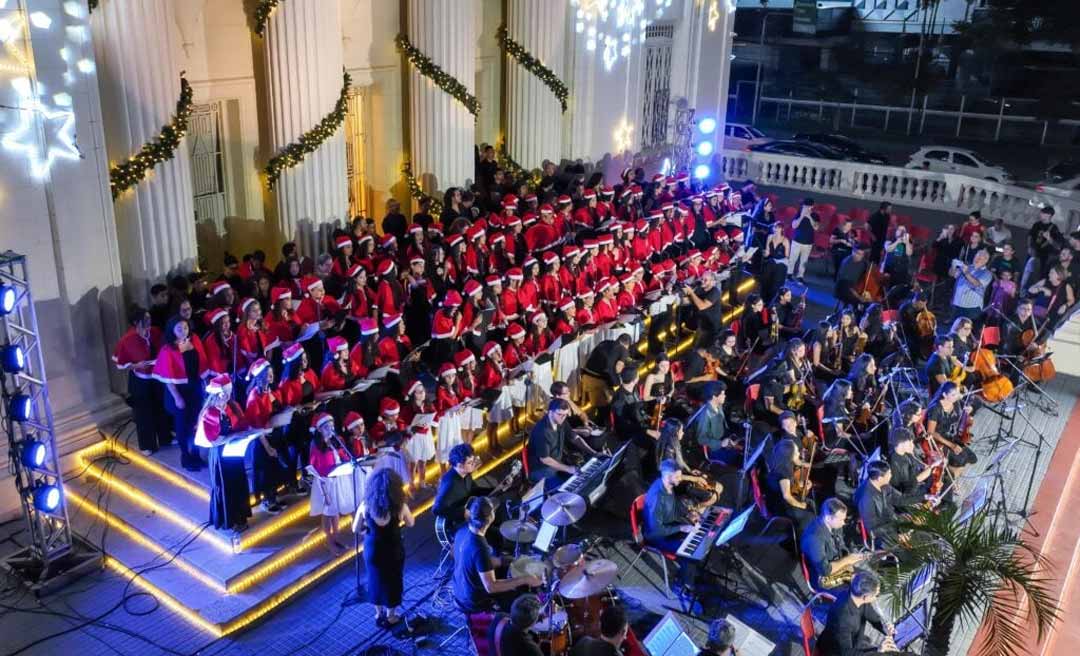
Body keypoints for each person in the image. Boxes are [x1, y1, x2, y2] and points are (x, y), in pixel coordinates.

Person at [452, 496, 541, 613]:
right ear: (490, 518)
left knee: (505, 566)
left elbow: (455, 553)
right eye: (493, 510)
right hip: (474, 600)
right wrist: (525, 579)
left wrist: (500, 561)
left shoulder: (462, 529)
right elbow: (491, 587)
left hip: (459, 587)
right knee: (524, 600)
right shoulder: (480, 546)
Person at [196, 374, 252, 533]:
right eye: (223, 394)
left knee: (239, 483)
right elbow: (212, 441)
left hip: (234, 451)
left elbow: (241, 422)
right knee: (226, 487)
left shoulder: (231, 406)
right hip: (220, 455)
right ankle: (230, 520)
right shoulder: (210, 413)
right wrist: (233, 436)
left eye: (228, 394)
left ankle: (241, 517)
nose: (226, 397)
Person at [153, 316, 209, 471]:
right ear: (172, 330)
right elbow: (166, 377)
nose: (183, 331)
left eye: (185, 327)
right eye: (179, 329)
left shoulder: (195, 340)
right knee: (183, 426)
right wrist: (177, 397)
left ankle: (197, 453)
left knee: (197, 423)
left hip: (194, 388)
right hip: (178, 392)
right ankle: (186, 456)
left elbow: (202, 362)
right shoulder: (167, 349)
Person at [112, 305, 170, 455]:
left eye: (149, 318)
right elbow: (121, 364)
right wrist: (136, 365)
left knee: (160, 407)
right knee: (143, 413)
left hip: (157, 375)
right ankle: (147, 445)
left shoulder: (155, 332)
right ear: (136, 322)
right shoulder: (127, 340)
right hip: (140, 379)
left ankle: (165, 438)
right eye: (145, 319)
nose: (149, 321)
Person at [363, 467, 415, 629]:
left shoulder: (365, 506)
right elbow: (411, 523)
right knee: (393, 580)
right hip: (393, 548)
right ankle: (391, 616)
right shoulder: (400, 507)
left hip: (373, 549)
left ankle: (378, 614)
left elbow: (355, 528)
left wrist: (368, 527)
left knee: (374, 578)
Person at [308, 412, 358, 554]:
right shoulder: (316, 445)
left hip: (338, 479)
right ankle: (329, 541)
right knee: (328, 513)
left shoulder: (337, 440)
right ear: (319, 429)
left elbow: (342, 455)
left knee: (335, 511)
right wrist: (323, 488)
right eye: (326, 427)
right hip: (325, 482)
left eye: (331, 426)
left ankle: (336, 537)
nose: (330, 429)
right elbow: (313, 467)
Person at [818, 571, 901, 656]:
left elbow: (873, 617)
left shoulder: (856, 597)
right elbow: (847, 653)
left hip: (855, 642)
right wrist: (878, 651)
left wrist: (885, 628)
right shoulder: (843, 619)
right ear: (865, 597)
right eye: (875, 596)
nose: (876, 599)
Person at [801, 498, 868, 591]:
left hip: (838, 566)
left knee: (867, 580)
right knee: (862, 588)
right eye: (841, 520)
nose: (843, 523)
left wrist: (850, 557)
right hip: (823, 579)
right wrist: (847, 560)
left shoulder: (834, 525)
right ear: (828, 518)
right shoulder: (814, 538)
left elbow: (841, 545)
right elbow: (825, 571)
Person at [764, 433, 815, 534]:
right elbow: (787, 496)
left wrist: (804, 486)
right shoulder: (784, 472)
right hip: (781, 507)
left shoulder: (777, 461)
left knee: (811, 503)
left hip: (773, 499)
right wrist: (801, 505)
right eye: (796, 452)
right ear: (789, 455)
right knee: (809, 515)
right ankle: (803, 536)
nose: (798, 454)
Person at [853, 461, 906, 548]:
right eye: (889, 474)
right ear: (879, 478)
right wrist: (897, 535)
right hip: (882, 536)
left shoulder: (883, 484)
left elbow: (900, 498)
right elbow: (873, 531)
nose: (891, 475)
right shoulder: (866, 499)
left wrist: (923, 498)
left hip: (891, 522)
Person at [525, 398, 576, 487]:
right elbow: (545, 459)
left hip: (557, 463)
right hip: (541, 469)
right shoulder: (542, 431)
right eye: (560, 414)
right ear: (550, 412)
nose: (563, 418)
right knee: (562, 491)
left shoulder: (560, 421)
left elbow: (572, 435)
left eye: (565, 415)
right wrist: (567, 468)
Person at [950, 248, 992, 323]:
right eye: (976, 256)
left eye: (980, 258)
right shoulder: (968, 267)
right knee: (954, 330)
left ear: (985, 261)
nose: (977, 259)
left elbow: (976, 283)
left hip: (972, 308)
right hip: (957, 304)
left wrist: (966, 272)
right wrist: (953, 266)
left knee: (967, 332)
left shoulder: (987, 273)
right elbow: (952, 274)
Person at [788, 198, 817, 284]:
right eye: (804, 206)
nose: (805, 208)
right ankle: (789, 274)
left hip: (808, 242)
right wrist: (801, 216)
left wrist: (809, 217)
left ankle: (800, 276)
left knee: (804, 261)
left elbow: (816, 227)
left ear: (811, 207)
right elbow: (794, 226)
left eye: (807, 206)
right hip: (797, 240)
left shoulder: (815, 215)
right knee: (793, 259)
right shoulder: (798, 213)